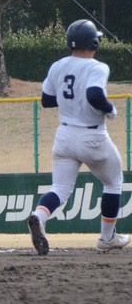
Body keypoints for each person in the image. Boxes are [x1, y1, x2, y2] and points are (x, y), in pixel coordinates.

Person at [28, 19, 128, 256]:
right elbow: (94, 94)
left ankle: (39, 216)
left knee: (61, 189)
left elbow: (47, 100)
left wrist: (71, 101)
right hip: (92, 136)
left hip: (64, 135)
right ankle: (107, 238)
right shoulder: (97, 67)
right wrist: (110, 109)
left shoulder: (58, 65)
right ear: (93, 42)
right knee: (113, 182)